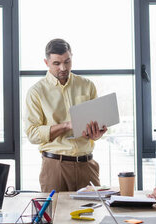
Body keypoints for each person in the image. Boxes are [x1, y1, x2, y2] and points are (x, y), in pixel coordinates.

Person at [25, 39, 107, 192]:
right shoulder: (36, 92)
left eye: (67, 61)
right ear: (46, 62)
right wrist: (67, 125)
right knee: (55, 215)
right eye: (57, 63)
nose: (63, 68)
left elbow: (95, 127)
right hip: (55, 167)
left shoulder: (87, 85)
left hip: (87, 166)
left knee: (95, 214)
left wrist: (97, 134)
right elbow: (32, 134)